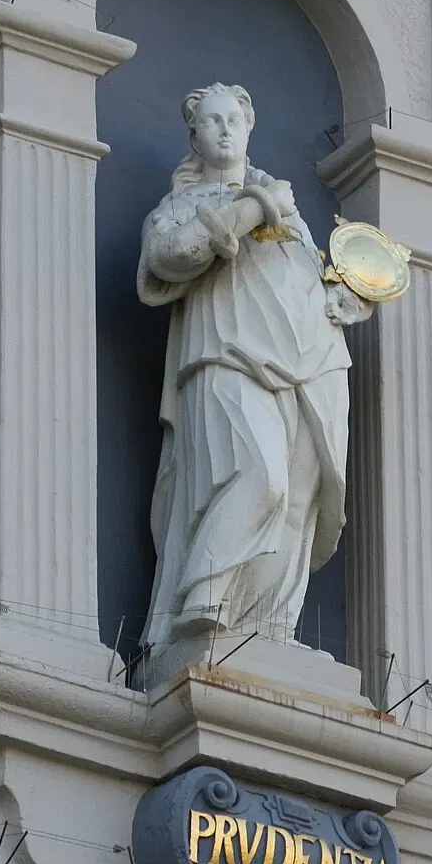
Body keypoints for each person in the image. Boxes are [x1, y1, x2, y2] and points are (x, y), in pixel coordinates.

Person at [137, 82, 370, 656]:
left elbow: (308, 278)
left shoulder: (290, 212)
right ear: (194, 135)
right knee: (257, 477)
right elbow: (171, 257)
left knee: (297, 498)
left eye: (232, 121)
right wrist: (253, 208)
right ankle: (204, 599)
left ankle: (267, 631)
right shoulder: (182, 207)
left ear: (249, 127)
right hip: (227, 356)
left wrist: (346, 300)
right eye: (210, 122)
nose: (222, 130)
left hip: (311, 363)